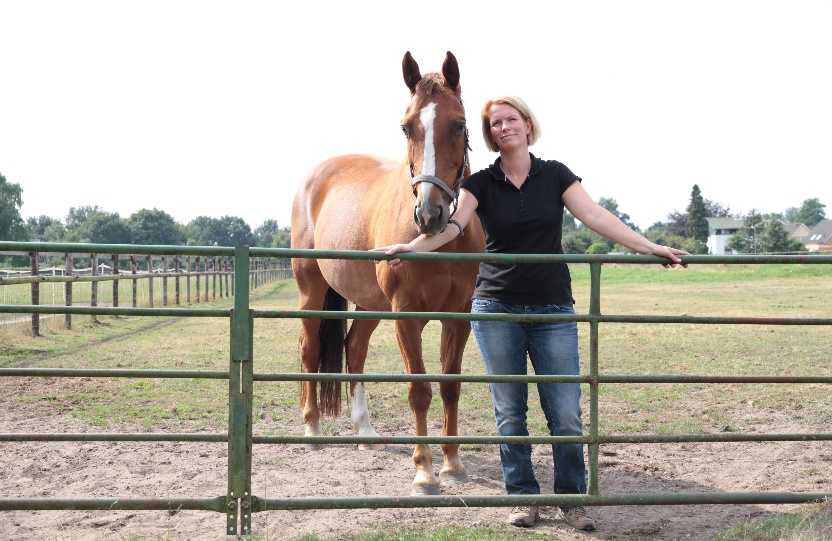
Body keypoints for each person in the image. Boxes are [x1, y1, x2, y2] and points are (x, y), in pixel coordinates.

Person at [376, 95, 688, 531]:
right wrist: (410, 247)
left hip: (553, 308)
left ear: (526, 124)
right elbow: (451, 227)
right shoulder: (479, 184)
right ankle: (523, 498)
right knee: (509, 412)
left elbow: (595, 215)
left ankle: (571, 500)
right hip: (496, 308)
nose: (504, 128)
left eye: (510, 120)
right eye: (495, 123)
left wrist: (649, 245)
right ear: (488, 135)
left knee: (565, 412)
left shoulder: (556, 174)